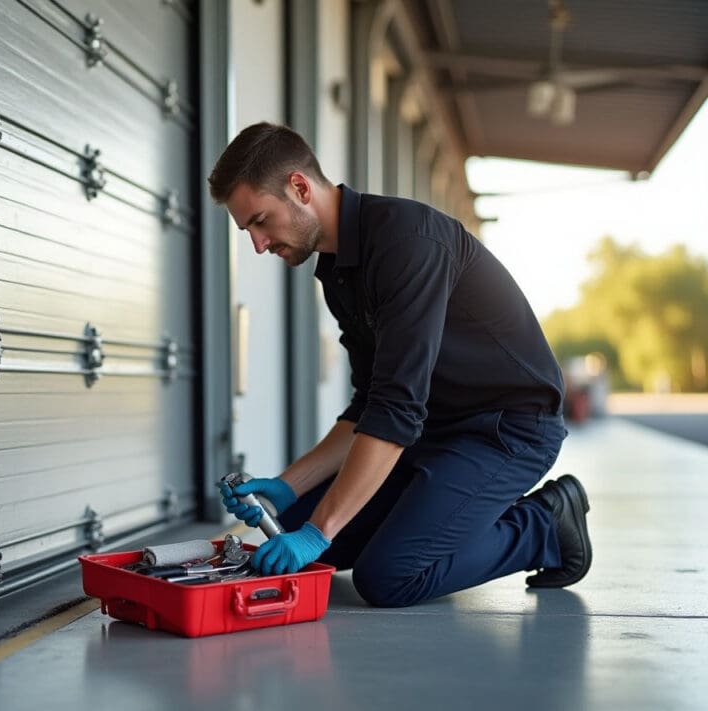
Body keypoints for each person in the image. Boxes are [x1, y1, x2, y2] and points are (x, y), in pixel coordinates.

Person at [209, 122, 592, 608]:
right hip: (433, 430)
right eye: (248, 230)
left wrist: (319, 529)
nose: (258, 244)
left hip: (507, 430)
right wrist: (287, 488)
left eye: (261, 221)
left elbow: (395, 410)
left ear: (300, 188)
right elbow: (369, 403)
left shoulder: (407, 243)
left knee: (388, 576)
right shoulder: (338, 269)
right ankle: (422, 521)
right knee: (301, 539)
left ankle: (545, 527)